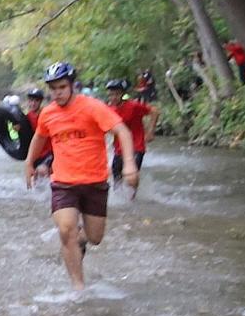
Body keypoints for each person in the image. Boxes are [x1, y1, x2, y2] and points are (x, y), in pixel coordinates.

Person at [25, 61, 137, 289]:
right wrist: (29, 162)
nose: (57, 93)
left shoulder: (92, 107)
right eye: (53, 88)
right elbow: (39, 137)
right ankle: (78, 288)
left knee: (95, 237)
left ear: (72, 85)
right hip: (63, 183)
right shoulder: (48, 113)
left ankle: (79, 240)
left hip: (95, 182)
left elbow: (122, 131)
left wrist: (128, 164)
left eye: (62, 87)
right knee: (66, 229)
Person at [106, 78, 153, 181]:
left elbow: (154, 112)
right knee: (116, 180)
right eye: (111, 95)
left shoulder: (133, 106)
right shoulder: (109, 109)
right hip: (119, 149)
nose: (113, 97)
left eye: (117, 94)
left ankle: (133, 191)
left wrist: (150, 132)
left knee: (131, 179)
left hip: (137, 147)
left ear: (123, 94)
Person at [23, 85, 52, 181]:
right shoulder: (27, 117)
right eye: (31, 100)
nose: (33, 103)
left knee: (42, 170)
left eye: (36, 101)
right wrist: (18, 129)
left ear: (40, 102)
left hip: (49, 152)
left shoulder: (47, 114)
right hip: (36, 154)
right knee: (34, 178)